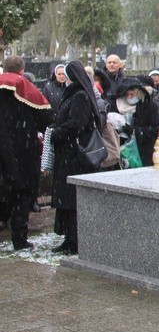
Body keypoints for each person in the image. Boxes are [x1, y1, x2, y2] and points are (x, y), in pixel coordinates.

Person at [0, 56, 52, 250]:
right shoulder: (25, 88)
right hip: (22, 151)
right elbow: (46, 116)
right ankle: (19, 238)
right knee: (21, 196)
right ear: (22, 70)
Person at [50, 61, 102, 254]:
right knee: (67, 199)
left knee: (72, 199)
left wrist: (57, 133)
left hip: (75, 156)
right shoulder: (74, 93)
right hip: (68, 154)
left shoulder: (79, 95)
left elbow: (76, 124)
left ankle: (75, 240)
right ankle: (69, 239)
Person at [107, 78, 159, 167]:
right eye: (127, 94)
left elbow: (154, 129)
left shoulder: (149, 106)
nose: (129, 97)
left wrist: (134, 130)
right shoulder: (117, 105)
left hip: (142, 150)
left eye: (132, 94)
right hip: (121, 149)